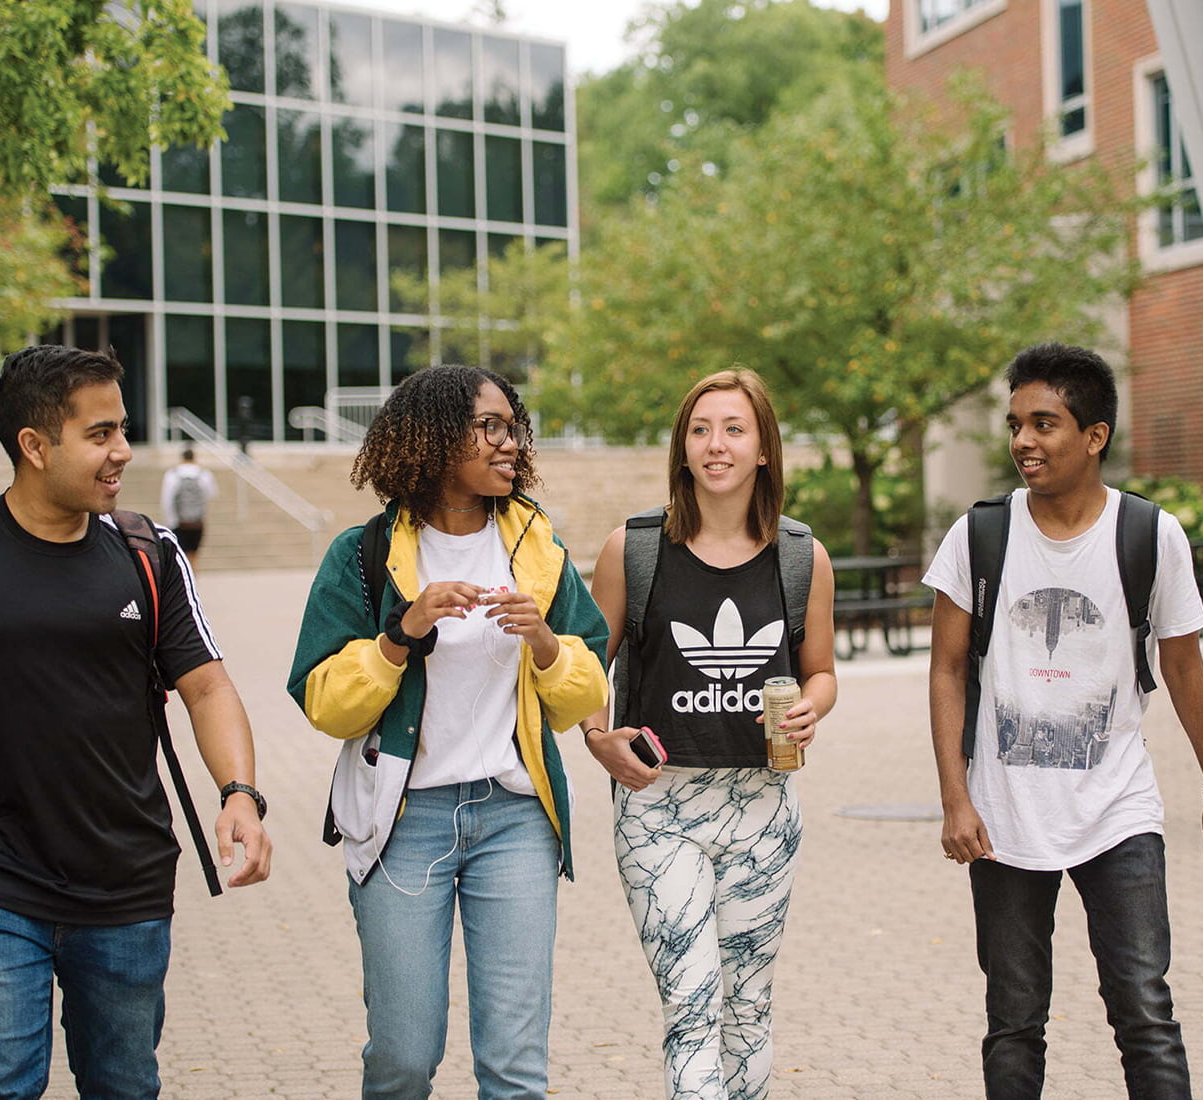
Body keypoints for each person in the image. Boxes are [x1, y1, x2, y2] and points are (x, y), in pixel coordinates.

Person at [0, 344, 272, 1099]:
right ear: (35, 444)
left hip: (126, 881)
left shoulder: (149, 554)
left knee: (121, 1084)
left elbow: (208, 687)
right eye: (101, 434)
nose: (122, 451)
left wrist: (240, 796)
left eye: (122, 429)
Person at [924, 342, 1203, 1100]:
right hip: (1003, 817)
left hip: (1118, 808)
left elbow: (1184, 667)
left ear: (1094, 435)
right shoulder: (980, 536)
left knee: (1143, 1010)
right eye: (1016, 425)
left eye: (1045, 423)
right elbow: (944, 669)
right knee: (1013, 1017)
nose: (1023, 442)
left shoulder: (1149, 535)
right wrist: (955, 798)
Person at [286, 365, 609, 1100]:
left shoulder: (537, 546)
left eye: (510, 426)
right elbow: (323, 702)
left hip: (515, 818)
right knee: (403, 1057)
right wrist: (401, 634)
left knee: (515, 1064)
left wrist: (548, 645)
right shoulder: (363, 555)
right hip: (406, 822)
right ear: (432, 441)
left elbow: (587, 688)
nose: (509, 443)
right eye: (488, 427)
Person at [580, 368, 838, 1100]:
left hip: (764, 807)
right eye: (700, 430)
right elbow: (580, 673)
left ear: (763, 450)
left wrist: (813, 706)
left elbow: (820, 671)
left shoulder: (800, 556)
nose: (715, 444)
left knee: (748, 1007)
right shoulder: (633, 550)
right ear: (682, 448)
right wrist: (599, 735)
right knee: (691, 1003)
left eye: (733, 429)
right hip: (658, 807)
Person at [160, 446, 217, 570]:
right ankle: (194, 580)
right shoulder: (204, 474)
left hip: (179, 522)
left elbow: (167, 500)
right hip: (197, 522)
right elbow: (212, 493)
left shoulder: (172, 474)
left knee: (181, 556)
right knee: (194, 555)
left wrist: (170, 521)